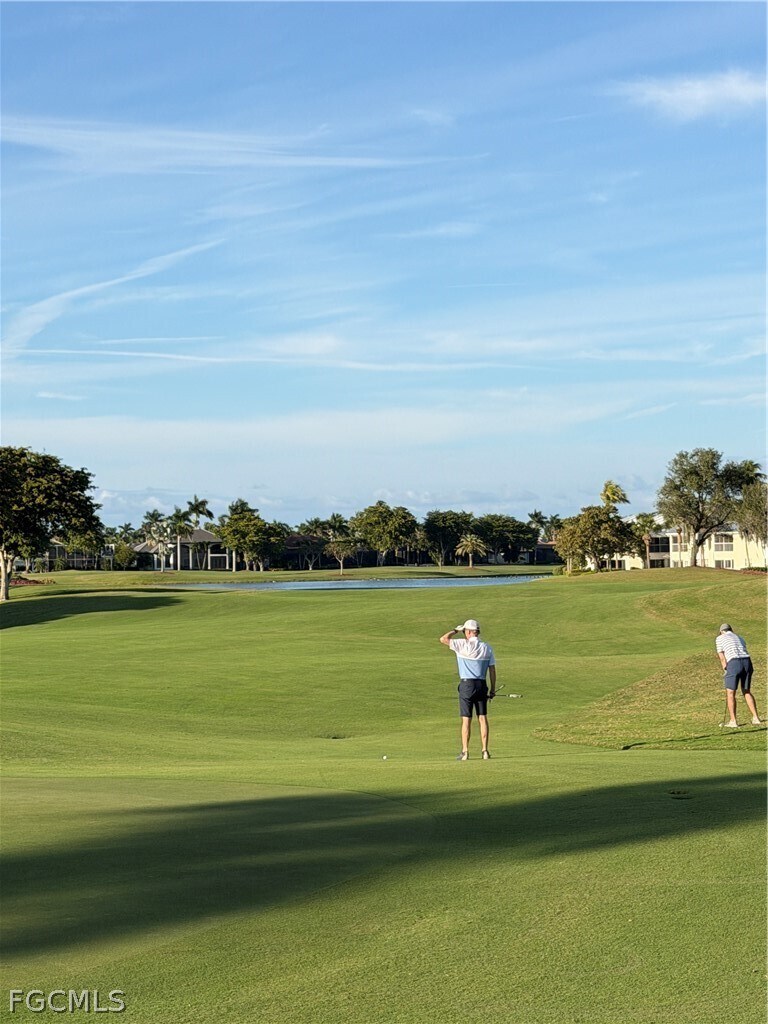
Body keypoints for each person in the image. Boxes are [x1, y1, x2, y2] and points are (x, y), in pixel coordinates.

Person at [440, 619, 496, 760]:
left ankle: (465, 752)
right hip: (481, 685)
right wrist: (492, 689)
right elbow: (492, 670)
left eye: (465, 631)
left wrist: (455, 630)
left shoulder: (461, 644)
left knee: (466, 720)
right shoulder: (487, 647)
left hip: (466, 685)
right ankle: (485, 751)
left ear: (470, 632)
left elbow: (443, 639)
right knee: (482, 718)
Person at [716, 623, 761, 728]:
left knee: (730, 692)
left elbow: (722, 657)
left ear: (721, 631)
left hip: (734, 662)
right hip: (747, 662)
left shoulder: (720, 638)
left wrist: (725, 669)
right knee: (746, 691)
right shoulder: (739, 637)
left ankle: (733, 721)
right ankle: (756, 718)